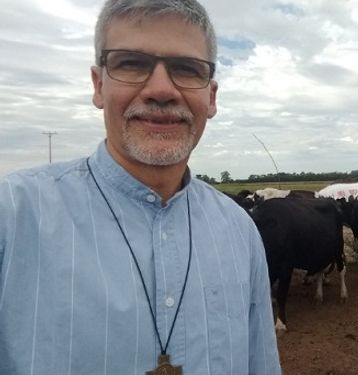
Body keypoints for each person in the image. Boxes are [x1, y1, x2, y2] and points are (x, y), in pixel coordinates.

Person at [0, 0, 282, 374]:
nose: (161, 89)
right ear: (99, 85)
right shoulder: (12, 218)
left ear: (211, 98)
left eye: (186, 69)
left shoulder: (240, 231)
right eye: (132, 63)